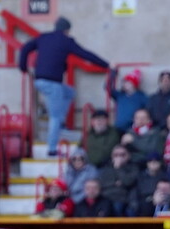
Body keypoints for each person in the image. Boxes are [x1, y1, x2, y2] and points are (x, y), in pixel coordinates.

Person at [18, 17, 109, 156]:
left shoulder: (43, 37)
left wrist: (23, 67)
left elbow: (25, 48)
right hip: (53, 84)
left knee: (70, 93)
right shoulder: (67, 41)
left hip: (40, 81)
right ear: (67, 30)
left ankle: (60, 122)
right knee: (54, 116)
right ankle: (52, 149)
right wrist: (106, 64)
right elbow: (85, 54)